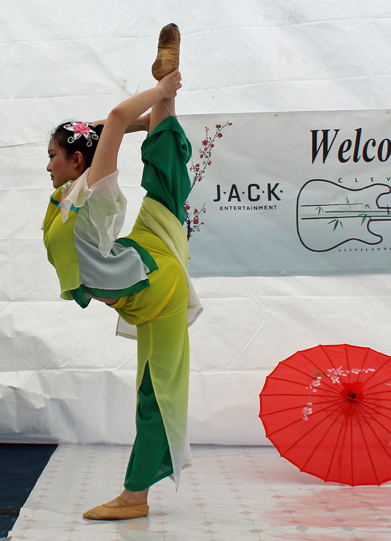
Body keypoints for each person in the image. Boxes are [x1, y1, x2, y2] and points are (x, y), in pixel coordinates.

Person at [43, 24, 201, 521]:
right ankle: (165, 95)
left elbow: (111, 118)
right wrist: (156, 100)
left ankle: (136, 497)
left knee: (156, 389)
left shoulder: (94, 191)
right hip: (144, 253)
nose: (47, 165)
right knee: (163, 180)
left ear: (75, 161)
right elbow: (101, 126)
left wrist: (162, 92)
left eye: (53, 156)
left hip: (157, 288)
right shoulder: (70, 193)